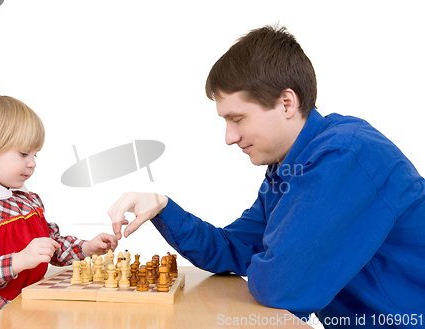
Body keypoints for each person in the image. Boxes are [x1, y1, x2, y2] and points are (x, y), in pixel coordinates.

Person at [108, 26, 425, 328]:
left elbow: (282, 285)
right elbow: (233, 249)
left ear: (287, 103)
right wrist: (162, 206)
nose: (229, 137)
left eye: (237, 118)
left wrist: (269, 260)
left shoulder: (346, 155)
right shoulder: (288, 167)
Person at [0, 95, 118, 329]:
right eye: (24, 154)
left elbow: (51, 246)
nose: (33, 163)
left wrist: (86, 248)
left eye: (35, 155)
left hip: (27, 314)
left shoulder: (29, 200)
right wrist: (18, 260)